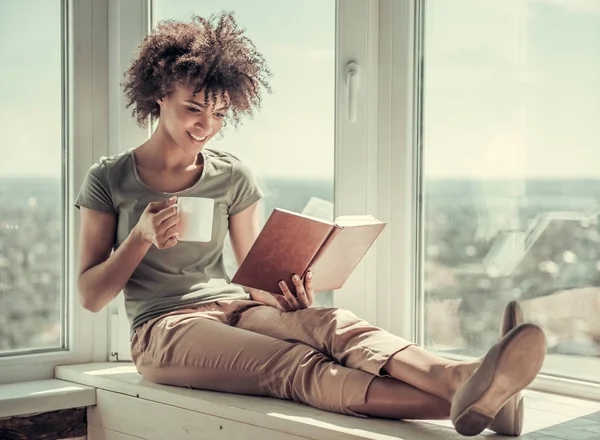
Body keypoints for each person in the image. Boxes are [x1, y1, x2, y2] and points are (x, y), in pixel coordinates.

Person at [75, 13, 546, 437]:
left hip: (235, 307)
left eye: (219, 114)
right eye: (193, 108)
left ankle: (458, 379)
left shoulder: (233, 176)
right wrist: (139, 237)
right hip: (163, 329)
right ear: (160, 95)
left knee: (333, 324)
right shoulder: (110, 178)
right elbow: (92, 296)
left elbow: (252, 277)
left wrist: (282, 295)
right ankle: (476, 399)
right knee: (295, 364)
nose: (206, 125)